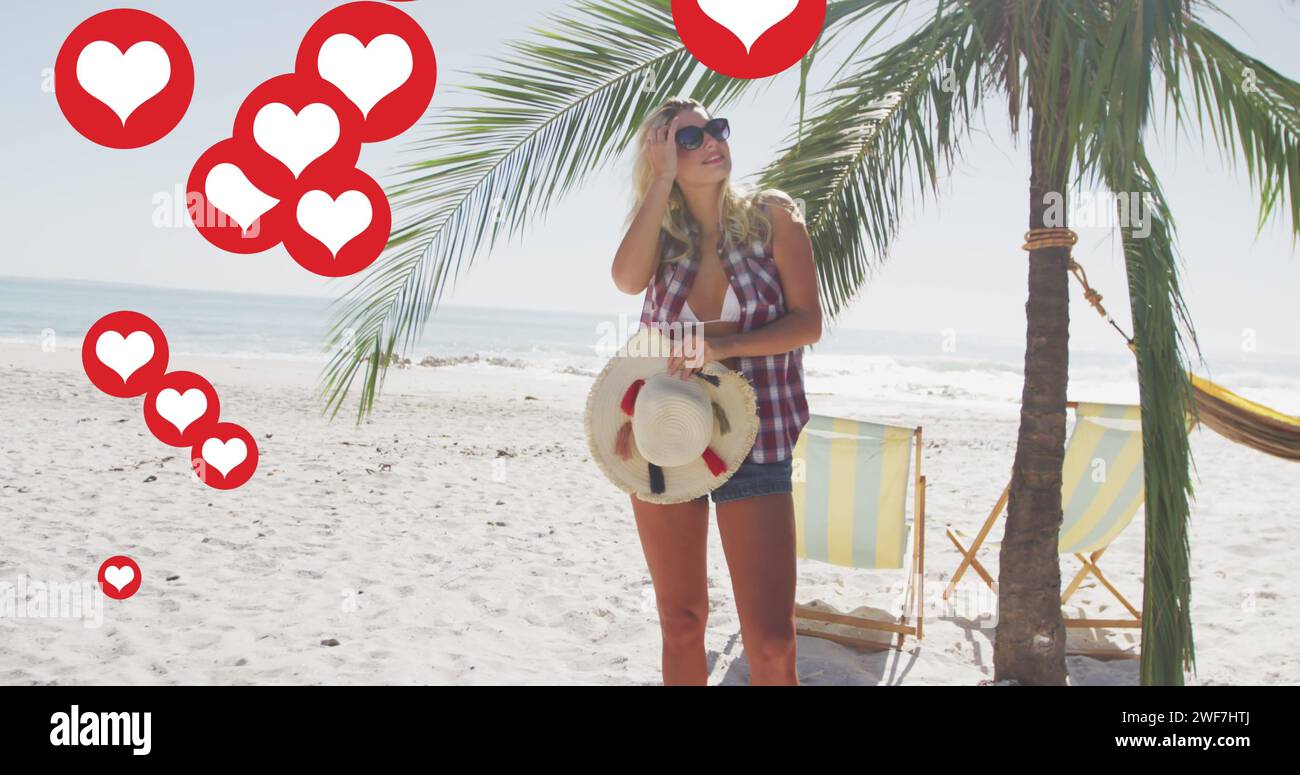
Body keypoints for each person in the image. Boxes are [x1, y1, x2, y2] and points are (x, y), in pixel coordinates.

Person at [610, 97, 822, 685]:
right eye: (690, 138)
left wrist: (724, 349)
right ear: (661, 157)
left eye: (716, 130)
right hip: (667, 433)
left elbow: (807, 321)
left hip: (759, 436)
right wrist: (660, 185)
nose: (712, 142)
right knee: (681, 620)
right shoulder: (662, 237)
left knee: (772, 641)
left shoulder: (772, 216)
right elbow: (626, 279)